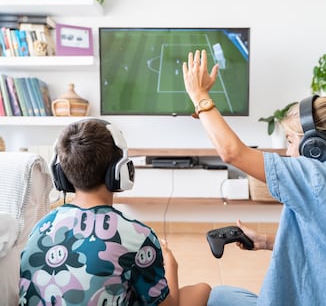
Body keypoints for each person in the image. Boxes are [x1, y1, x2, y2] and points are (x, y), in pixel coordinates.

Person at [182, 50, 326, 306]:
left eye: (291, 141)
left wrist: (200, 97)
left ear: (316, 147)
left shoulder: (322, 178)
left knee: (215, 297)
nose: (288, 151)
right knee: (230, 295)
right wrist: (267, 241)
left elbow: (232, 152)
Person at [19, 118, 211, 306]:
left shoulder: (41, 227)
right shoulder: (137, 236)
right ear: (120, 171)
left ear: (61, 174)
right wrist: (171, 266)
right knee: (203, 289)